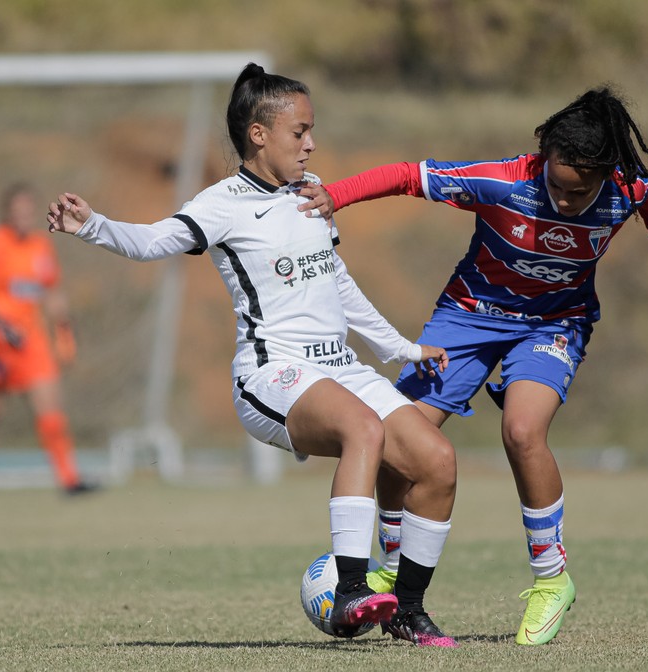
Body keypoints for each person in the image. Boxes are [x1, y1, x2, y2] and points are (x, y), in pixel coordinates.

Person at [47, 63, 459, 646]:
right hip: (273, 373)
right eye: (300, 132)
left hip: (339, 366)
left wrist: (403, 349)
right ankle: (350, 591)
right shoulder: (223, 204)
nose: (310, 143)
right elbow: (154, 241)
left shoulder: (311, 194)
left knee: (437, 461)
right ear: (258, 134)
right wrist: (92, 225)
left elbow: (338, 283)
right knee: (362, 428)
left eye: (312, 131)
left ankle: (408, 612)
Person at [297, 85, 648, 645]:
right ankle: (394, 569)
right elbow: (408, 176)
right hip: (468, 317)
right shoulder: (502, 181)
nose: (565, 201)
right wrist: (336, 194)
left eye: (579, 193)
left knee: (522, 431)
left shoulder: (627, 187)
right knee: (399, 436)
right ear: (543, 159)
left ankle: (552, 580)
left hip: (556, 323)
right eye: (556, 186)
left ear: (605, 175)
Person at [0, 183, 96, 497]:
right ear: (7, 213)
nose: (24, 216)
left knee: (50, 407)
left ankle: (70, 480)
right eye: (18, 211)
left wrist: (64, 329)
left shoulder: (41, 246)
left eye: (28, 211)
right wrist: (0, 325)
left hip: (31, 342)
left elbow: (51, 291)